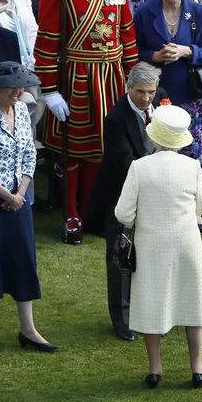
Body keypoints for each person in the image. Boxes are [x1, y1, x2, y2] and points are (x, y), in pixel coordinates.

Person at [35, 0, 139, 244]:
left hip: (111, 76)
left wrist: (132, 77)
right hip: (77, 77)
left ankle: (94, 210)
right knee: (74, 150)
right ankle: (71, 213)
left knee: (102, 147)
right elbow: (48, 40)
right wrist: (50, 88)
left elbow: (126, 30)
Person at [114, 104, 202, 390]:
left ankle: (155, 369)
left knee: (151, 302)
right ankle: (197, 367)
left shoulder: (139, 167)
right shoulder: (192, 166)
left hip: (151, 244)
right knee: (193, 303)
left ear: (155, 136)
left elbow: (123, 213)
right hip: (186, 242)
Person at [0, 62, 57, 355]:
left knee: (23, 261)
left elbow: (29, 154)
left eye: (21, 85)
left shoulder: (21, 111)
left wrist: (20, 193)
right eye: (13, 86)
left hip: (19, 201)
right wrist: (5, 195)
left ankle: (28, 329)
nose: (19, 91)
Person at [84, 62, 163, 342]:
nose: (146, 98)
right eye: (140, 91)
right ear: (128, 87)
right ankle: (123, 318)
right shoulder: (116, 118)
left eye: (151, 92)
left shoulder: (161, 104)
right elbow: (124, 163)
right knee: (121, 258)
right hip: (122, 199)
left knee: (152, 259)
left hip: (155, 200)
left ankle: (150, 315)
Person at [133, 0, 202, 164]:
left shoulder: (198, 12)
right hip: (154, 93)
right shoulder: (144, 12)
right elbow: (133, 51)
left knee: (189, 153)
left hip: (190, 94)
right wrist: (154, 56)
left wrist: (186, 51)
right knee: (155, 151)